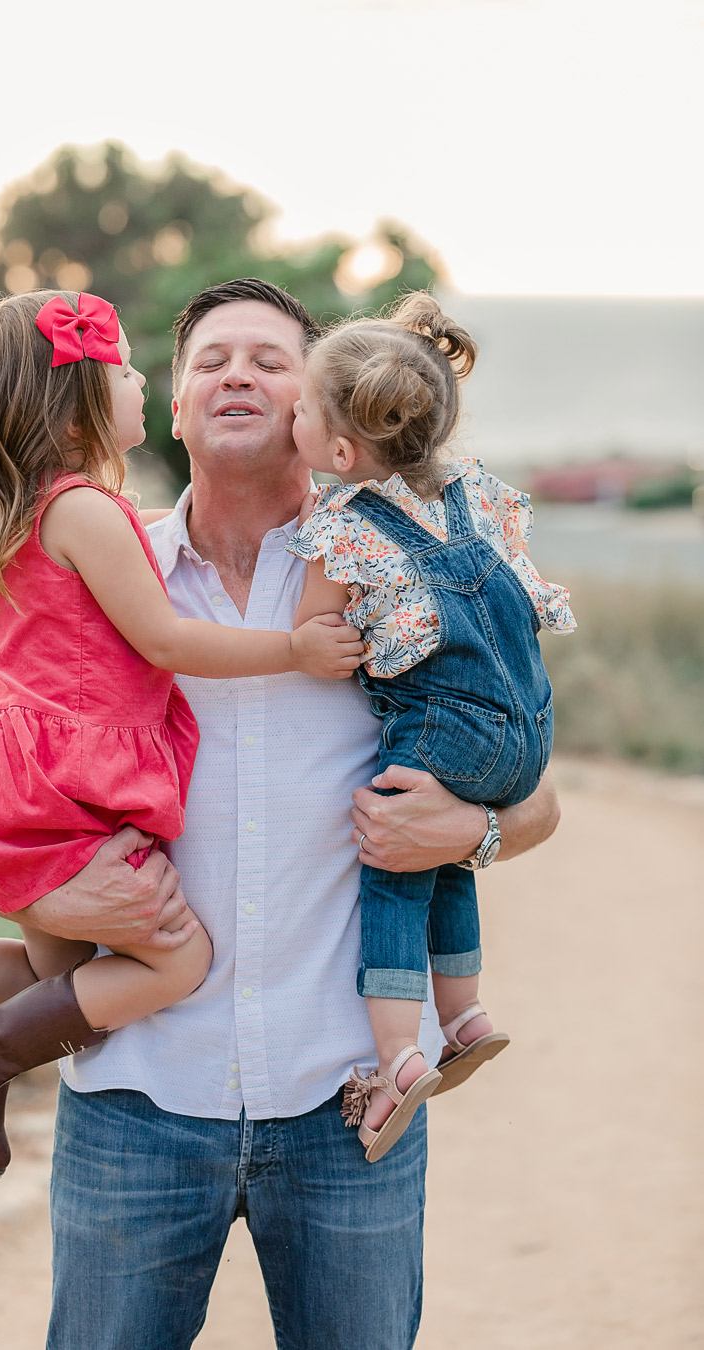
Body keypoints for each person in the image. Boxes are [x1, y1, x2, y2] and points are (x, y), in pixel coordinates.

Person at [37, 278, 562, 1350]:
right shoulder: (101, 576)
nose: (238, 374)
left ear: (318, 410)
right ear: (173, 409)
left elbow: (535, 789)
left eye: (270, 361)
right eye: (209, 361)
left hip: (349, 1108)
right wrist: (50, 896)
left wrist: (468, 834)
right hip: (135, 1099)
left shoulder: (397, 568)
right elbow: (21, 783)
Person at [0, 289, 362, 1177]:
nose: (141, 382)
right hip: (61, 796)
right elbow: (167, 639)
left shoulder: (26, 510)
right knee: (177, 962)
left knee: (60, 980)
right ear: (75, 403)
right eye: (128, 369)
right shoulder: (91, 511)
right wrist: (294, 647)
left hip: (16, 786)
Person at [287, 292, 575, 1162]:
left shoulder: (342, 526)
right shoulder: (472, 492)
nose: (290, 414)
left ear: (340, 450)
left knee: (391, 861)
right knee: (441, 851)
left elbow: (324, 640)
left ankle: (395, 1059)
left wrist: (306, 645)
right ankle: (467, 1014)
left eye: (299, 405)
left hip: (445, 726)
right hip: (526, 727)